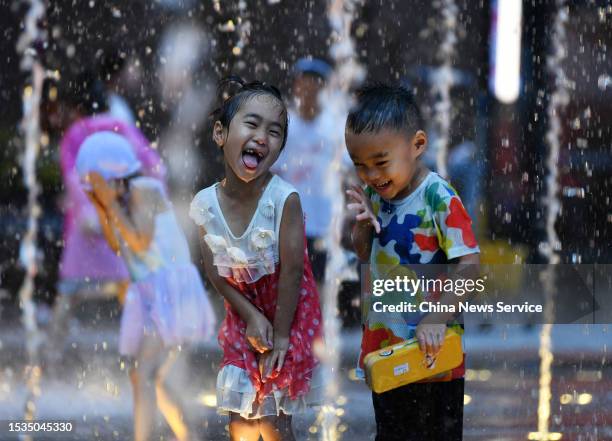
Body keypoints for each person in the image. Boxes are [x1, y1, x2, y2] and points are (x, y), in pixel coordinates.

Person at [344, 84, 480, 441]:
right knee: (391, 433)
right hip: (386, 344)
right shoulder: (375, 195)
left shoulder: (438, 196)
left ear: (417, 146)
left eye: (380, 162)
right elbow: (363, 253)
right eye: (360, 165)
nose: (371, 175)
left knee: (436, 434)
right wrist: (361, 225)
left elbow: (470, 263)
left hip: (432, 348)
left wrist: (437, 316)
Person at [189, 77, 322, 441]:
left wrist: (280, 337)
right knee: (241, 419)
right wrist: (249, 316)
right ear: (220, 133)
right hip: (243, 316)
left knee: (274, 423)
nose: (263, 136)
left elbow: (293, 272)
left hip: (288, 314)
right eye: (252, 124)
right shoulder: (205, 205)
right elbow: (215, 273)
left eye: (274, 131)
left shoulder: (284, 199)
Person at [75, 131, 216, 441]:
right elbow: (118, 247)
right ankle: (189, 436)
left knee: (145, 374)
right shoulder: (119, 203)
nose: (94, 190)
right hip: (150, 292)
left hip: (170, 290)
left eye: (95, 183)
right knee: (151, 377)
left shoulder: (146, 189)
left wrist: (110, 204)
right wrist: (102, 206)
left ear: (114, 175)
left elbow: (140, 242)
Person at [49, 73, 166, 362]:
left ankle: (49, 356)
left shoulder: (76, 133)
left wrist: (91, 212)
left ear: (78, 108)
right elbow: (156, 169)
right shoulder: (123, 128)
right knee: (134, 290)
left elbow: (73, 179)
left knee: (69, 293)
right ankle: (142, 356)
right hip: (122, 225)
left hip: (89, 227)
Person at [271, 58, 351, 284]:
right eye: (304, 84)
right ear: (296, 86)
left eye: (315, 85)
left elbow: (348, 172)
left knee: (321, 286)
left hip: (325, 222)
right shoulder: (285, 126)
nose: (308, 91)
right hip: (291, 222)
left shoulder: (335, 127)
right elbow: (273, 173)